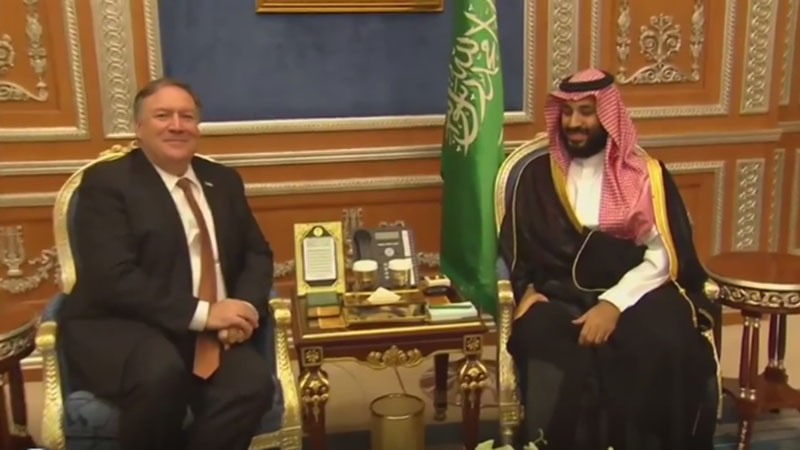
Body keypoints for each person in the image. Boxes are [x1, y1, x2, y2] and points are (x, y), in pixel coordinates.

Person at [500, 69, 719, 450]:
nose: (574, 123)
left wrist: (613, 304)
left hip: (635, 289)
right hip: (561, 291)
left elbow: (664, 253)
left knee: (667, 340)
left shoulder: (643, 175)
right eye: (567, 112)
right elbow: (518, 245)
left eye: (586, 112)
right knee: (541, 335)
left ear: (608, 115)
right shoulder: (537, 176)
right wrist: (525, 290)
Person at [61, 78, 275, 450]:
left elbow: (257, 254)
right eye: (163, 116)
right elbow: (113, 278)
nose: (177, 125)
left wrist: (242, 308)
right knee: (160, 373)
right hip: (125, 326)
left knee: (251, 384)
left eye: (186, 117)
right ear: (138, 127)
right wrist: (205, 314)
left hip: (210, 333)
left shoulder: (222, 180)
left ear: (198, 127)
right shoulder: (108, 183)